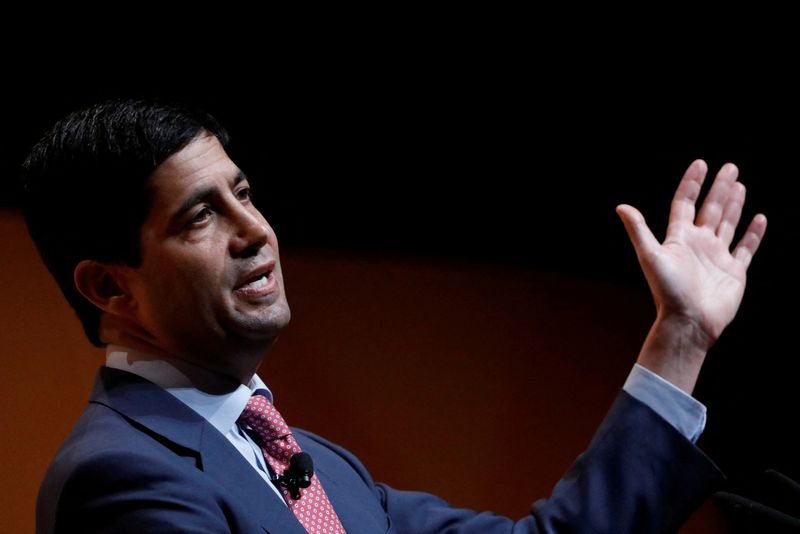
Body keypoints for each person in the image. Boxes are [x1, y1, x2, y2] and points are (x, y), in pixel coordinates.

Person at [23, 99, 767, 534]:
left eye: (244, 194)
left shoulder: (314, 463)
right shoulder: (120, 479)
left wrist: (682, 333)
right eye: (198, 218)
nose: (254, 231)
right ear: (110, 289)